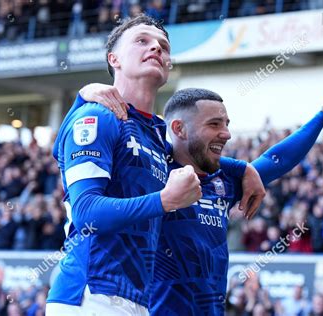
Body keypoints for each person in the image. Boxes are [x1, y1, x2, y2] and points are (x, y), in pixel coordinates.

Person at [46, 15, 266, 315]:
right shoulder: (97, 117)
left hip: (137, 301)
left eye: (163, 46)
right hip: (90, 294)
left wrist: (243, 169)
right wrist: (165, 200)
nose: (156, 49)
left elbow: (194, 153)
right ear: (114, 59)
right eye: (142, 41)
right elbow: (86, 213)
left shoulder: (154, 135)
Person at [78, 85, 323, 314]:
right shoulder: (152, 175)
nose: (227, 133)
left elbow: (277, 161)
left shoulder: (224, 181)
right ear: (179, 129)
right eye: (214, 124)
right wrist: (83, 95)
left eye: (227, 124)